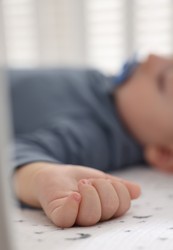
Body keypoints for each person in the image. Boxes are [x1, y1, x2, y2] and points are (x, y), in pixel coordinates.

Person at [10, 54, 173, 228]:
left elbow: (15, 153)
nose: (151, 57)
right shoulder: (106, 88)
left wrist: (41, 176)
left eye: (161, 82)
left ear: (164, 154)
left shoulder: (94, 135)